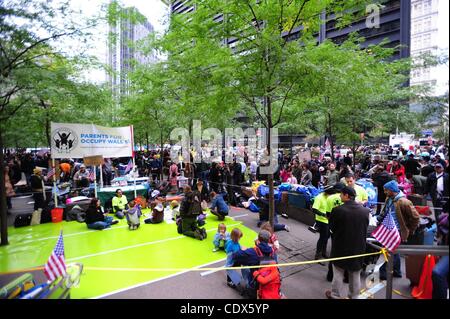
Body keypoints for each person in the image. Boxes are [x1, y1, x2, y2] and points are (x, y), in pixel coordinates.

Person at [325, 187, 369, 299]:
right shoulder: (365, 211)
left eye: (341, 194)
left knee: (338, 273)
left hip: (340, 246)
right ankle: (354, 296)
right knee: (355, 274)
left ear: (346, 196)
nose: (340, 196)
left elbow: (332, 227)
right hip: (358, 247)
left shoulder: (337, 210)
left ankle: (335, 295)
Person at [378, 180, 420, 280]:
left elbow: (415, 217)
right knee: (393, 250)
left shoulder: (404, 202)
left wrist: (409, 229)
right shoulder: (389, 198)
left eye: (386, 190)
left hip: (397, 230)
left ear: (392, 190)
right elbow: (386, 210)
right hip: (388, 227)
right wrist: (379, 218)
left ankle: (384, 271)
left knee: (390, 250)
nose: (385, 192)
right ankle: (397, 271)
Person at [232, 230, 276, 297]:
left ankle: (249, 286)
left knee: (244, 265)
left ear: (258, 239)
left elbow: (235, 256)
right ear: (268, 240)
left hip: (256, 282)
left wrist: (243, 250)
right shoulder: (272, 251)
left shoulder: (253, 252)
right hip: (269, 280)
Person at [312, 185, 337, 263]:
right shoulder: (319, 198)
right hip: (321, 221)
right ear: (327, 193)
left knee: (326, 238)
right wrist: (323, 215)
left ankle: (324, 253)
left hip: (328, 221)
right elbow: (314, 209)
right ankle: (318, 255)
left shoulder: (330, 198)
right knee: (323, 238)